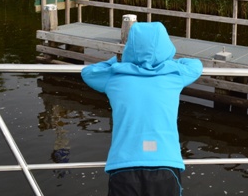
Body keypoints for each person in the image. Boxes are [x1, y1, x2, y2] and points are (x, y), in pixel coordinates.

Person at [81, 21, 203, 196]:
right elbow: (195, 65)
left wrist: (120, 60)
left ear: (130, 47)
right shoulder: (174, 75)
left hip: (124, 165)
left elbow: (89, 72)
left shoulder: (115, 77)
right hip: (165, 163)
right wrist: (166, 61)